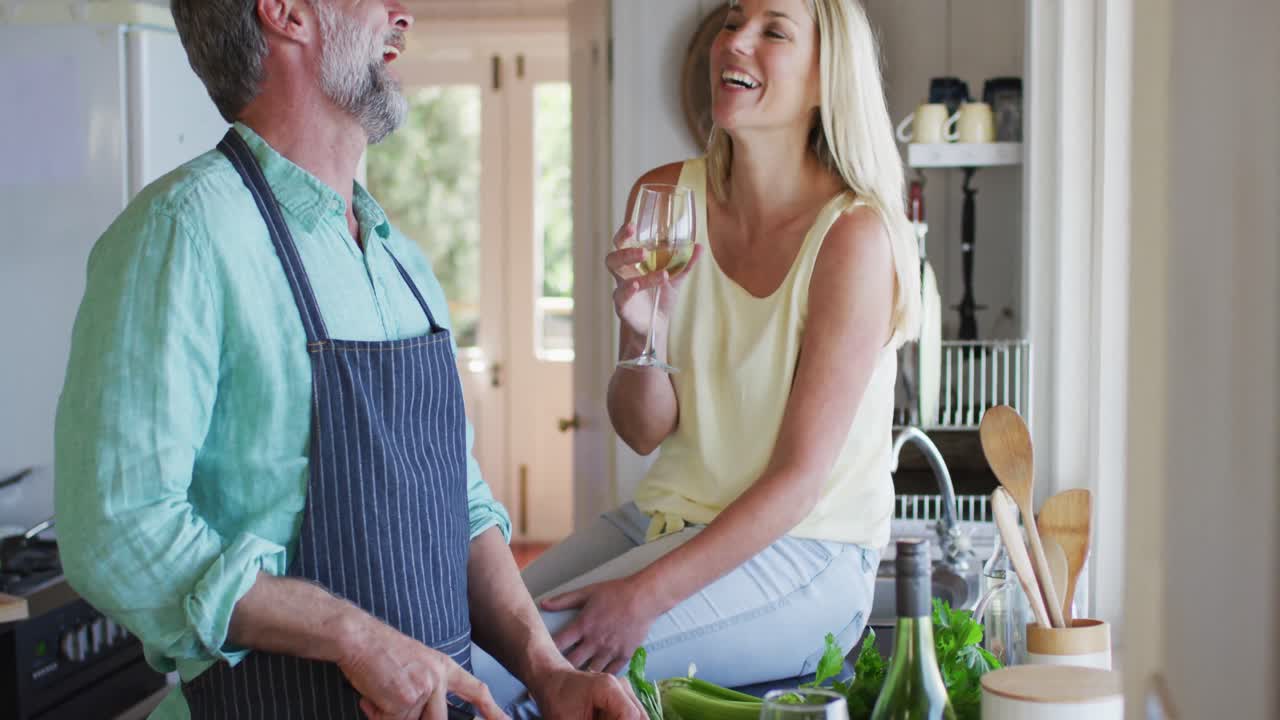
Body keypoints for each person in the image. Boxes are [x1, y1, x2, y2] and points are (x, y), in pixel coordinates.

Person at [52, 1, 643, 718]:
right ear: (286, 14)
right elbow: (116, 529)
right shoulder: (183, 232)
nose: (404, 13)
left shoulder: (401, 262)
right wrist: (352, 638)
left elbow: (456, 501)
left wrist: (547, 671)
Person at [472, 0, 921, 713]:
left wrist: (642, 597)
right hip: (666, 520)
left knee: (516, 673)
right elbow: (644, 428)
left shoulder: (854, 237)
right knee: (470, 641)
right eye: (732, 21)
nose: (733, 41)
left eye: (772, 31)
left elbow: (800, 481)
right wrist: (641, 332)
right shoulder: (665, 196)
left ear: (822, 81)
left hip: (807, 552)